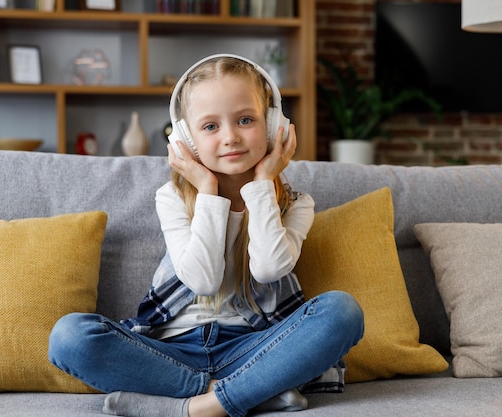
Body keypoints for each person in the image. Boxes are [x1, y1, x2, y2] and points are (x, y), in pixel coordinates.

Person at [48, 54, 364, 417]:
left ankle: (189, 407)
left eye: (245, 120)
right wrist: (209, 192)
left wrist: (263, 185)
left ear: (275, 124)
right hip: (169, 351)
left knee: (342, 311)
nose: (230, 137)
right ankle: (243, 393)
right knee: (69, 336)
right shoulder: (172, 198)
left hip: (252, 348)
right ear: (186, 139)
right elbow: (204, 280)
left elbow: (268, 269)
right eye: (210, 126)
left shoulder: (296, 204)